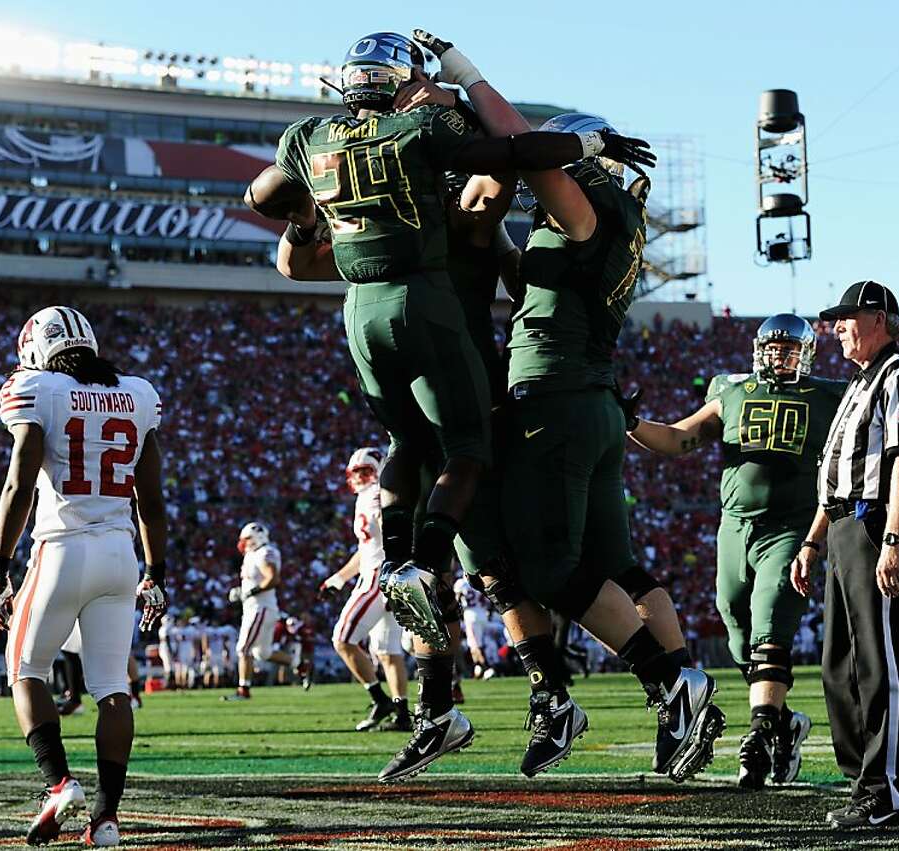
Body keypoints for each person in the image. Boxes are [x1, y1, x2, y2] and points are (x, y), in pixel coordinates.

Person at [252, 31, 653, 661]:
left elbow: (505, 162)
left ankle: (587, 682)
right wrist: (310, 216)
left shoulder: (465, 214)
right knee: (482, 557)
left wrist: (441, 98)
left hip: (486, 385)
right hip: (476, 374)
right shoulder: (408, 210)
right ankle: (451, 696)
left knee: (506, 553)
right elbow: (295, 264)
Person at [416, 29, 723, 782]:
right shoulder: (594, 229)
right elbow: (525, 268)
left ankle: (672, 685)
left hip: (558, 401)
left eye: (564, 164)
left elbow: (528, 148)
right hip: (585, 401)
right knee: (608, 563)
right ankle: (656, 680)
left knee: (548, 567)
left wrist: (463, 84)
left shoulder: (597, 212)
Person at [630, 314, 844, 789]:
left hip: (791, 527)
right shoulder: (731, 391)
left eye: (788, 349)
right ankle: (783, 721)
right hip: (734, 525)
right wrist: (629, 421)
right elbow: (679, 438)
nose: (778, 356)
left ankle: (761, 731)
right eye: (772, 348)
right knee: (735, 623)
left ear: (806, 354)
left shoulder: (830, 395)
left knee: (771, 617)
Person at [0, 306, 167, 847]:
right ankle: (107, 820)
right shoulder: (137, 394)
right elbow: (151, 500)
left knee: (25, 669)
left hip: (61, 548)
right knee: (114, 687)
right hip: (120, 554)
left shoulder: (37, 389)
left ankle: (59, 783)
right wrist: (156, 572)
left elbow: (19, 483)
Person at [791, 281, 899, 830]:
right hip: (846, 525)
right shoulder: (858, 383)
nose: (838, 326)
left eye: (848, 316)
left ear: (879, 319)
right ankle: (864, 784)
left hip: (878, 525)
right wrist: (812, 539)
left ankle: (889, 790)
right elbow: (836, 478)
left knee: (881, 664)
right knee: (839, 665)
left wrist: (894, 538)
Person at [320, 447, 412, 732]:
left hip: (379, 576)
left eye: (366, 470)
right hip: (385, 574)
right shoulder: (367, 497)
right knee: (387, 652)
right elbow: (366, 549)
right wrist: (337, 578)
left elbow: (392, 530)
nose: (360, 477)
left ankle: (379, 699)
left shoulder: (376, 495)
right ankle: (402, 714)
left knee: (343, 638)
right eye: (356, 472)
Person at [223, 523, 291, 700]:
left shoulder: (264, 552)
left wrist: (250, 592)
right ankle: (300, 664)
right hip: (257, 607)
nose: (243, 543)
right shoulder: (252, 554)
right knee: (263, 653)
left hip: (260, 607)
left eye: (246, 539)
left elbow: (272, 578)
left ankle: (243, 690)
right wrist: (242, 592)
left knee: (243, 648)